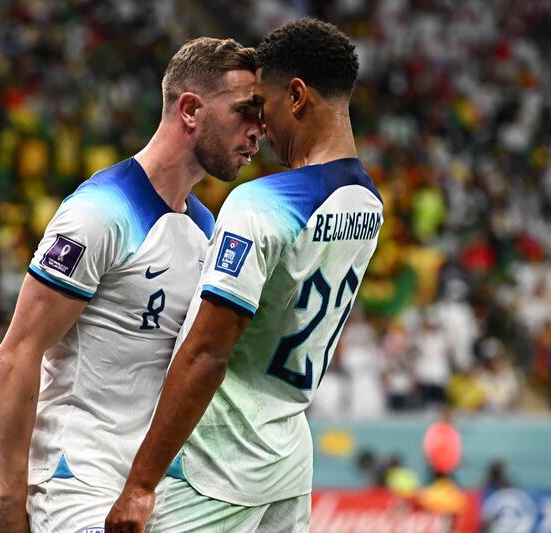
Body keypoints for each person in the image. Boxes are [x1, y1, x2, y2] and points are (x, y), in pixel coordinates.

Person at [107, 18, 383, 532]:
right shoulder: (369, 203)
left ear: (296, 96)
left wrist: (140, 484)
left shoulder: (261, 204)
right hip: (288, 455)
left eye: (264, 104)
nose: (260, 125)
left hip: (219, 462)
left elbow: (209, 351)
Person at [0, 37, 262, 533]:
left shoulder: (207, 229)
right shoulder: (100, 212)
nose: (257, 131)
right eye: (246, 111)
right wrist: (10, 499)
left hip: (153, 492)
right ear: (192, 109)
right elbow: (18, 352)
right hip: (77, 484)